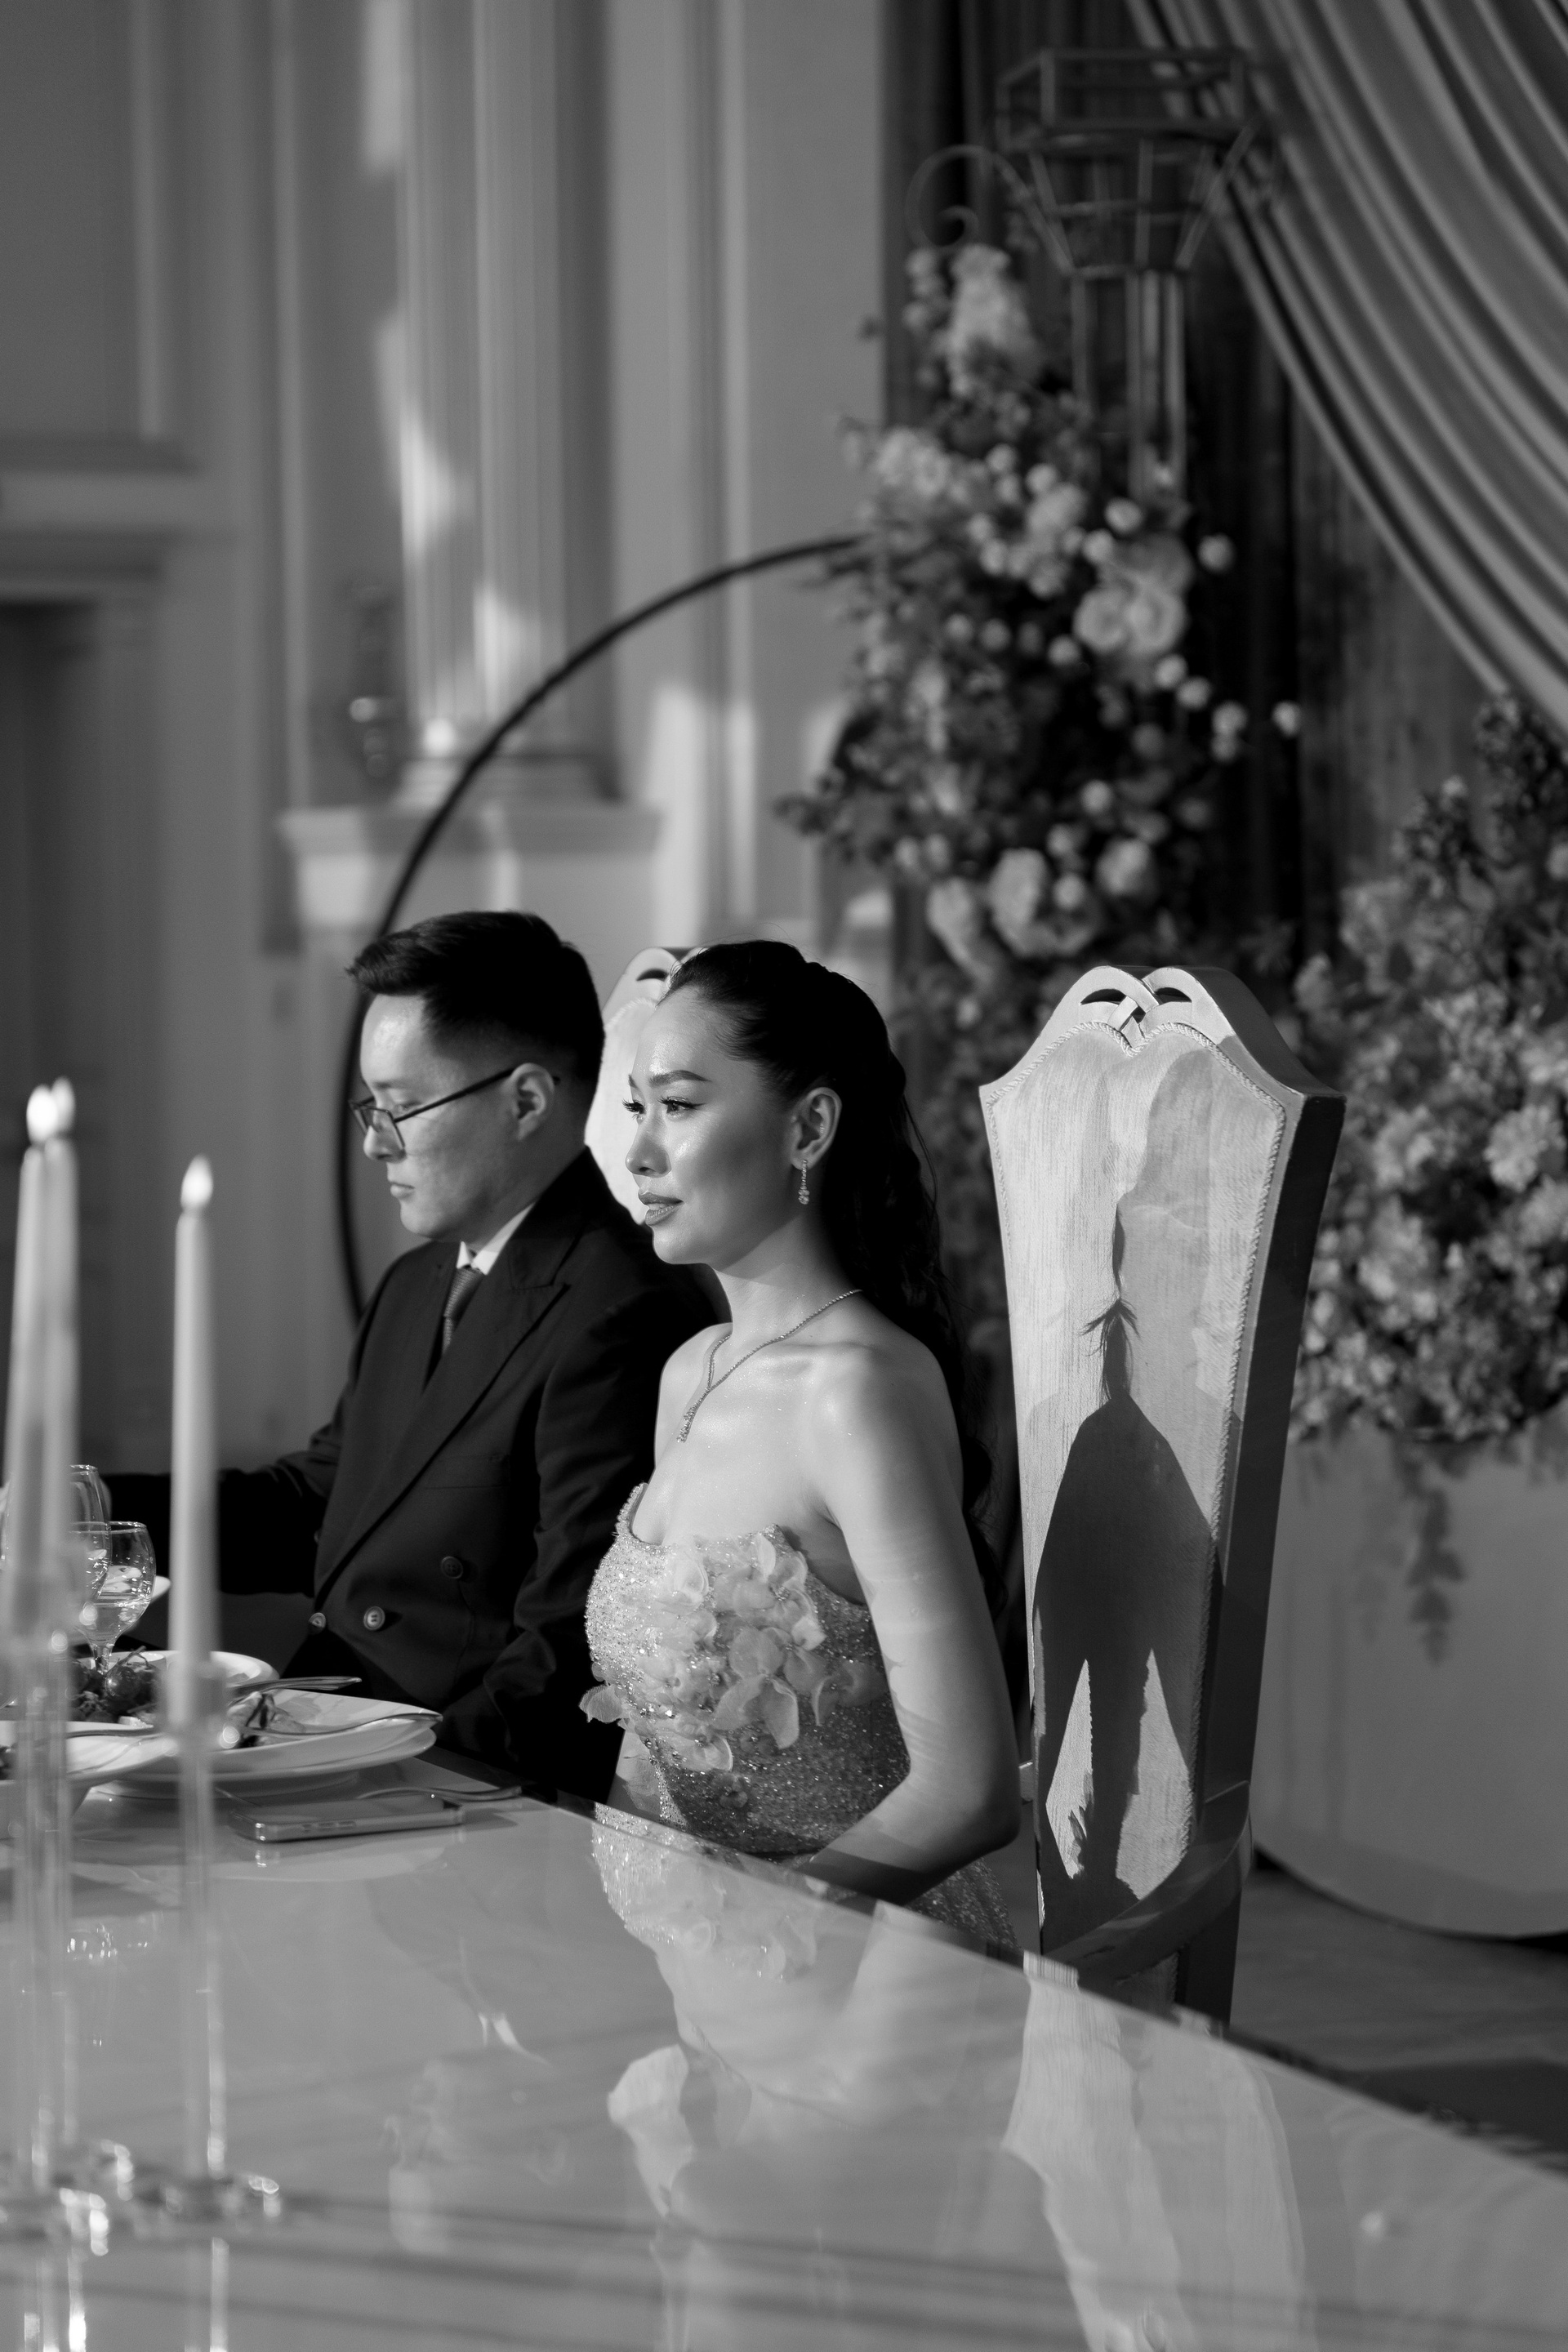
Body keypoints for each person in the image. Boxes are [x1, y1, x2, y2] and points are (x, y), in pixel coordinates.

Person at [130, 912, 708, 1797]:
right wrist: (90, 1516)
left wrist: (375, 1780)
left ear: (526, 1101)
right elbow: (320, 1503)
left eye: (400, 1106)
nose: (375, 1141)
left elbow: (569, 1644)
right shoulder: (417, 1283)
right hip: (330, 1736)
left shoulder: (620, 1309)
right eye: (371, 1108)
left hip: (452, 1786)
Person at [580, 941, 1019, 1936]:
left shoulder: (857, 1393)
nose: (639, 1152)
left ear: (809, 1127)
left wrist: (758, 1928)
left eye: (679, 1106)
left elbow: (970, 1790)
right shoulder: (688, 1373)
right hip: (687, 1945)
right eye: (637, 1108)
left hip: (863, 1957)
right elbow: (655, 1737)